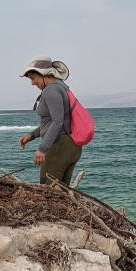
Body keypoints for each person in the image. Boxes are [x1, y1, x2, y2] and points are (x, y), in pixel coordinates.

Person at [17, 55, 82, 185]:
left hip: (59, 145)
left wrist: (42, 149)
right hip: (71, 146)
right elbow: (53, 121)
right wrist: (32, 135)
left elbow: (57, 121)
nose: (32, 83)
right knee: (62, 191)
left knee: (47, 190)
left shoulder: (51, 90)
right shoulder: (62, 87)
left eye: (33, 78)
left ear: (43, 74)